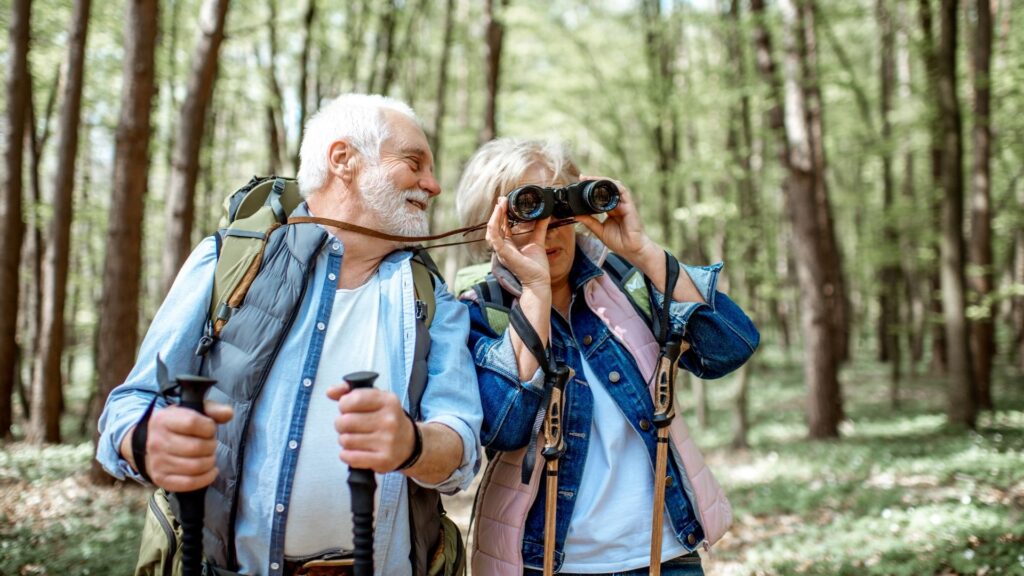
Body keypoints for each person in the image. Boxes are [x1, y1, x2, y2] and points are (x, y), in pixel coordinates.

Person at [97, 94, 482, 576]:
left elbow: (461, 450)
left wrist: (411, 443)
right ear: (343, 160)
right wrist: (147, 440)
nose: (434, 184)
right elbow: (127, 408)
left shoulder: (433, 298)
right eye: (414, 162)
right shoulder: (227, 262)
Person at [454, 138, 759, 575]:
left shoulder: (625, 283)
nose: (548, 229)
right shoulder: (481, 310)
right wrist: (536, 292)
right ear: (489, 227)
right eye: (528, 210)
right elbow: (506, 425)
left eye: (560, 209)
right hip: (548, 563)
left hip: (665, 554)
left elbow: (729, 349)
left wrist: (642, 251)